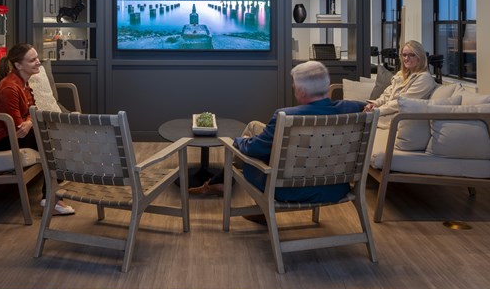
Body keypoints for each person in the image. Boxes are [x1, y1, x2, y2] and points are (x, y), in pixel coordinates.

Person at [187, 61, 368, 217]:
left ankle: (223, 185)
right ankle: (220, 182)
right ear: (327, 86)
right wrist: (370, 107)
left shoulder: (286, 116)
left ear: (301, 91)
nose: (293, 87)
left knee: (249, 146)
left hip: (289, 189)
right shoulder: (351, 108)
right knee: (255, 126)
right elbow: (368, 106)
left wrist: (238, 141)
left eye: (294, 85)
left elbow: (254, 149)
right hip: (336, 187)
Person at [0, 44, 75, 216]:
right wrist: (29, 122)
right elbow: (18, 128)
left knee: (57, 138)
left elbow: (31, 109)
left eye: (37, 58)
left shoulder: (22, 82)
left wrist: (29, 121)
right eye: (32, 60)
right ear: (18, 65)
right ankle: (51, 199)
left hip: (12, 131)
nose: (38, 62)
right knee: (55, 141)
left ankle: (51, 196)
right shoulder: (10, 88)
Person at [363, 39, 437, 118]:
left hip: (391, 116)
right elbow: (387, 95)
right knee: (353, 105)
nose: (406, 58)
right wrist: (374, 104)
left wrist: (377, 110)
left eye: (411, 55)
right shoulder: (401, 75)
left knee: (353, 110)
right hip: (383, 111)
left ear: (420, 57)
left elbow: (402, 102)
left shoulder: (424, 79)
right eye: (404, 55)